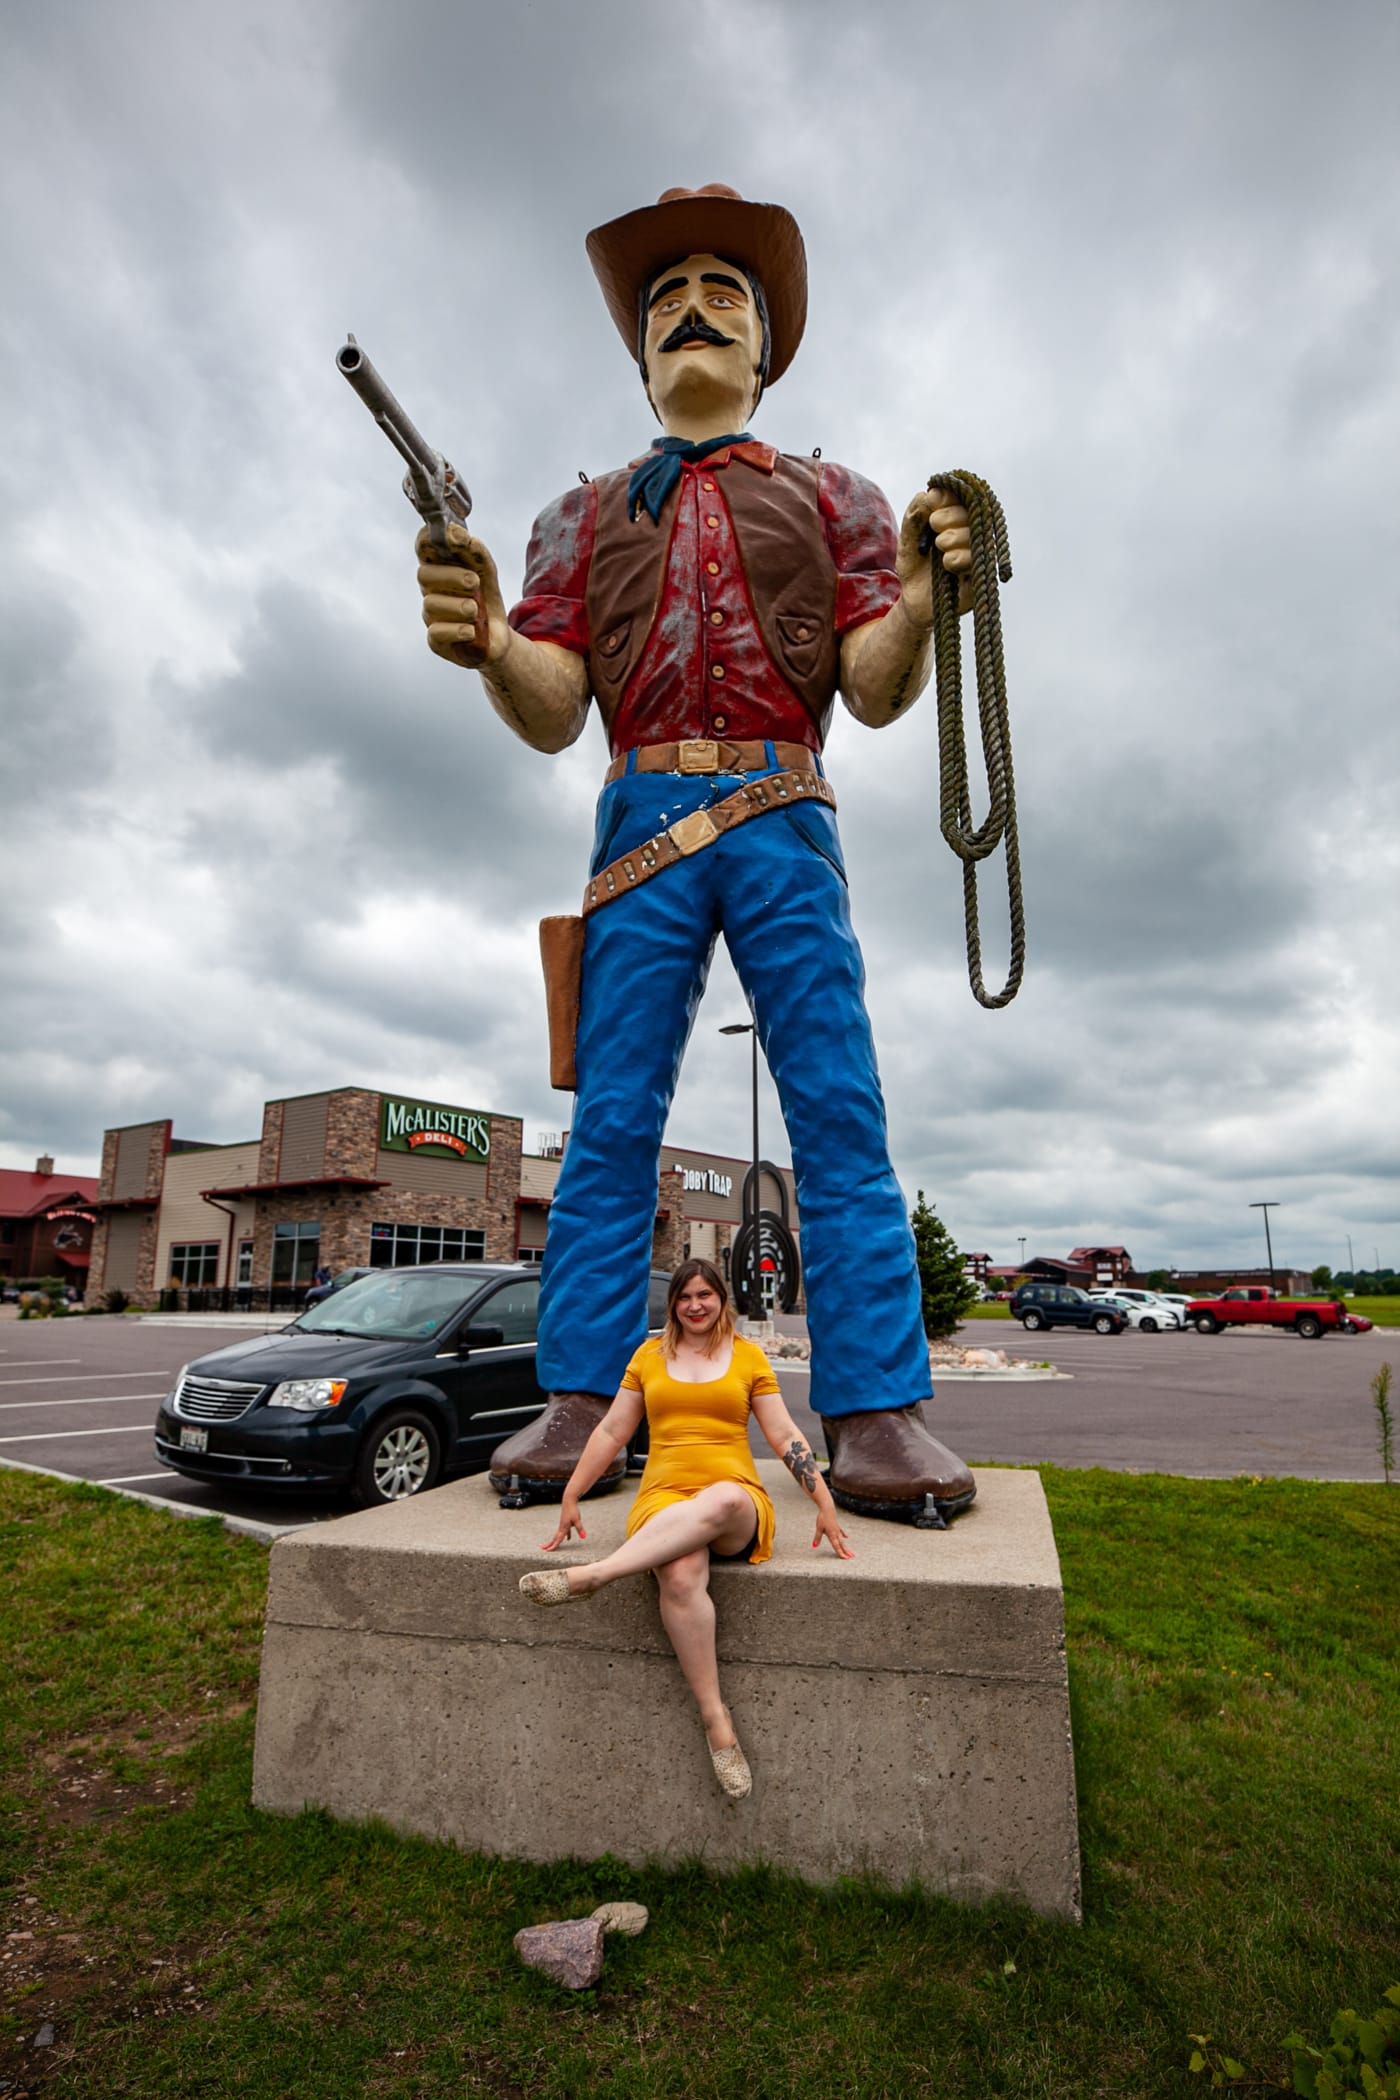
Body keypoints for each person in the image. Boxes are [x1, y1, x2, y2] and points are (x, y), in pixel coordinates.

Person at [416, 184, 977, 1526]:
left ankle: (879, 1409)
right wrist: (493, 637)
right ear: (641, 351)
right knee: (611, 1122)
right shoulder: (579, 516)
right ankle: (575, 1398)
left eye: (723, 290)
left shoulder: (839, 497)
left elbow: (876, 686)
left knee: (837, 1105)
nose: (690, 309)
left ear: (766, 342)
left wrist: (922, 596)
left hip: (785, 808)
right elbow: (555, 709)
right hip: (637, 819)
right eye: (666, 298)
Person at [518, 1259, 852, 1797]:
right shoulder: (648, 1356)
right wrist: (572, 1490)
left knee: (720, 1497)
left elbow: (783, 1431)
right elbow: (611, 1430)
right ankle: (717, 1722)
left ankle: (595, 1576)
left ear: (722, 1299)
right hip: (662, 1500)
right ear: (673, 1303)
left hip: (735, 1502)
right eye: (684, 1296)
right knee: (677, 1573)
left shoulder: (747, 1356)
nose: (695, 1305)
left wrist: (823, 1499)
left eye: (706, 1294)